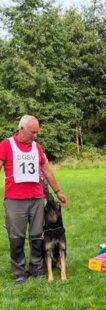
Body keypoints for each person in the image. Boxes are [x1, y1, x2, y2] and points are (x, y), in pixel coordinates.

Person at [0, 115, 67, 284]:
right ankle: (20, 272)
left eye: (37, 133)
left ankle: (36, 269)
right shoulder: (6, 145)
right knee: (17, 237)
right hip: (15, 200)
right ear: (21, 129)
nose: (35, 136)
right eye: (33, 132)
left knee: (37, 235)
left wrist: (57, 191)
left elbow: (46, 170)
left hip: (37, 199)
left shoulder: (37, 147)